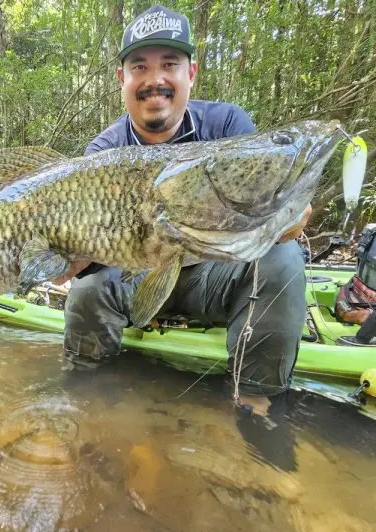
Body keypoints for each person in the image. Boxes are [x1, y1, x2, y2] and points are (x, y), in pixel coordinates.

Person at [55, 5, 311, 405]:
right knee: (88, 288)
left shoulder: (229, 127)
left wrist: (284, 218)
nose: (154, 79)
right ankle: (85, 404)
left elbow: (257, 214)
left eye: (169, 64)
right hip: (134, 277)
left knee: (284, 258)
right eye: (139, 67)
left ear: (190, 73)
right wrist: (67, 258)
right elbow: (95, 258)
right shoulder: (102, 153)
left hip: (212, 274)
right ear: (122, 78)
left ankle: (258, 406)